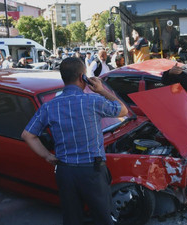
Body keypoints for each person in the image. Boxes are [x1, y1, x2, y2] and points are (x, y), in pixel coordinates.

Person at [21, 57, 128, 225]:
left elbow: (28, 135)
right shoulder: (94, 101)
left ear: (64, 77)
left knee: (72, 219)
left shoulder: (49, 106)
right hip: (92, 171)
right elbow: (123, 110)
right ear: (82, 77)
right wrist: (101, 90)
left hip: (65, 173)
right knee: (103, 217)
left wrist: (47, 156)